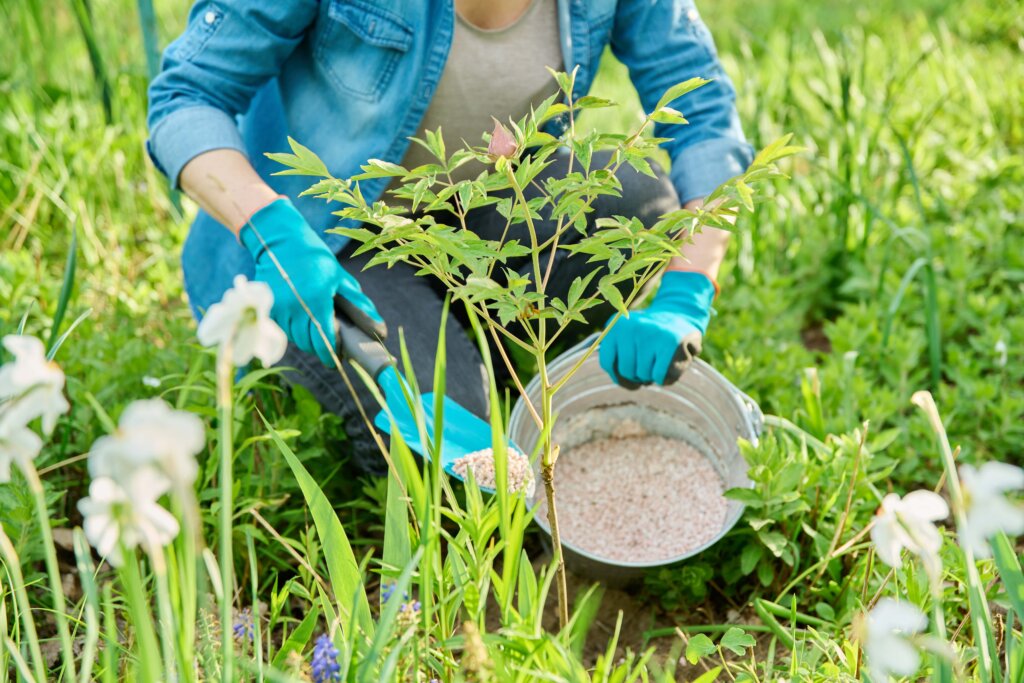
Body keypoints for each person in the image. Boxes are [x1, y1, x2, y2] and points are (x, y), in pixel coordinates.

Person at [147, 0, 753, 473]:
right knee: (459, 472)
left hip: (480, 216)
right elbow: (186, 96)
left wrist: (685, 294)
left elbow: (703, 116)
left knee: (638, 205)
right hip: (331, 244)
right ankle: (432, 361)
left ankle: (476, 339)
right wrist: (273, 233)